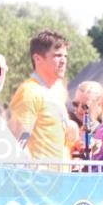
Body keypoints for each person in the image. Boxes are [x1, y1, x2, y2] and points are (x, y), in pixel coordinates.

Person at [9, 30, 71, 162]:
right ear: (37, 58)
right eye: (57, 56)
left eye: (65, 56)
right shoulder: (29, 91)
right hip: (39, 179)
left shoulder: (57, 92)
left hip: (61, 178)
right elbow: (18, 141)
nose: (63, 61)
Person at [69, 80, 103, 159]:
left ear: (99, 105)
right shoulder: (69, 123)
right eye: (75, 104)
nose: (79, 110)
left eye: (85, 106)